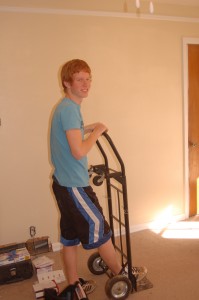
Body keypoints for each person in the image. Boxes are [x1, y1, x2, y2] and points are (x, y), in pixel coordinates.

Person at [50, 59, 146, 299]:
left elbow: (69, 134)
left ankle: (73, 285)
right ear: (67, 83)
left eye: (88, 78)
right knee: (100, 229)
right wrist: (96, 132)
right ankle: (121, 272)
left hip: (63, 183)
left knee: (70, 236)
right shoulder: (70, 110)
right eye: (79, 79)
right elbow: (79, 151)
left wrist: (88, 127)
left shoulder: (65, 107)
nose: (86, 84)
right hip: (74, 186)